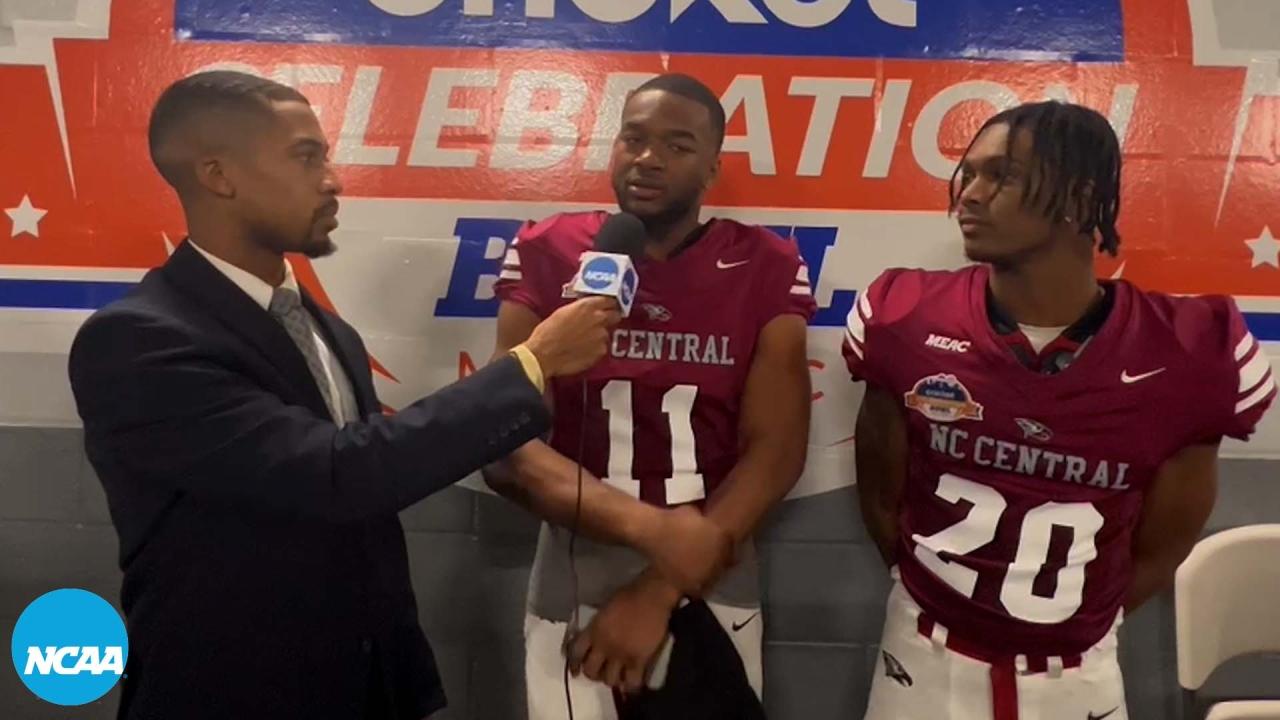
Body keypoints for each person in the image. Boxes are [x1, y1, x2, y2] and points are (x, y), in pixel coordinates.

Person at [67, 70, 618, 720]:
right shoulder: (139, 342)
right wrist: (533, 363)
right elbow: (337, 475)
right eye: (306, 158)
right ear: (219, 176)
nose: (332, 181)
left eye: (325, 157)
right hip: (231, 696)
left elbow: (366, 519)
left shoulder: (328, 330)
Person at [845, 100, 1277, 720]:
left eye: (1003, 176)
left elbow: (1161, 548)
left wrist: (1073, 625)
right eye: (970, 173)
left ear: (1079, 198)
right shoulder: (905, 314)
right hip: (920, 653)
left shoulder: (1189, 351)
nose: (971, 194)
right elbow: (882, 498)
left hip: (1076, 676)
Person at [483, 73, 817, 717]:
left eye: (677, 145)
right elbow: (506, 441)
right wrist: (657, 534)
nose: (648, 158)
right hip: (577, 568)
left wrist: (663, 585)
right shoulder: (549, 251)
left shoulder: (764, 264)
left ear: (712, 168)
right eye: (633, 138)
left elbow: (776, 450)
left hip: (711, 569)